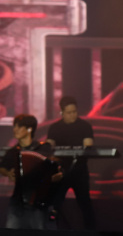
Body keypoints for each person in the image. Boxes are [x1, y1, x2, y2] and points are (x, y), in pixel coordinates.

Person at [0, 113, 63, 229]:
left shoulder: (44, 149)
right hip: (18, 203)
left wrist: (54, 177)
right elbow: (1, 166)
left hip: (40, 203)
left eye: (18, 127)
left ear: (29, 129)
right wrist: (8, 173)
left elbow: (57, 169)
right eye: (14, 126)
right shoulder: (13, 151)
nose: (15, 130)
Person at [46, 95, 96, 229]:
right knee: (55, 204)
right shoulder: (55, 128)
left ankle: (91, 231)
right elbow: (49, 146)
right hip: (61, 172)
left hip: (79, 172)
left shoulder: (84, 126)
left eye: (74, 112)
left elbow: (88, 146)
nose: (72, 115)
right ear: (62, 112)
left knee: (85, 204)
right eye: (69, 113)